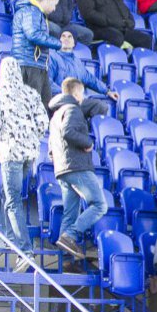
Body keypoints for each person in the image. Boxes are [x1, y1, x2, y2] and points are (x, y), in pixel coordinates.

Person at [0, 57, 47, 268]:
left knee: (13, 200)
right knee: (8, 194)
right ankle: (10, 238)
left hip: (9, 153)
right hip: (28, 156)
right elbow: (43, 122)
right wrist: (30, 138)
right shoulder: (30, 93)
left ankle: (24, 251)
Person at [49, 78, 108, 260]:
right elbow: (68, 132)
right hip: (77, 166)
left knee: (70, 213)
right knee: (100, 205)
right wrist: (88, 142)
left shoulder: (56, 114)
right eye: (82, 94)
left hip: (62, 169)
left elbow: (51, 147)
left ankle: (66, 261)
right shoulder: (73, 109)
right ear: (76, 94)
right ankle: (70, 235)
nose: (82, 98)